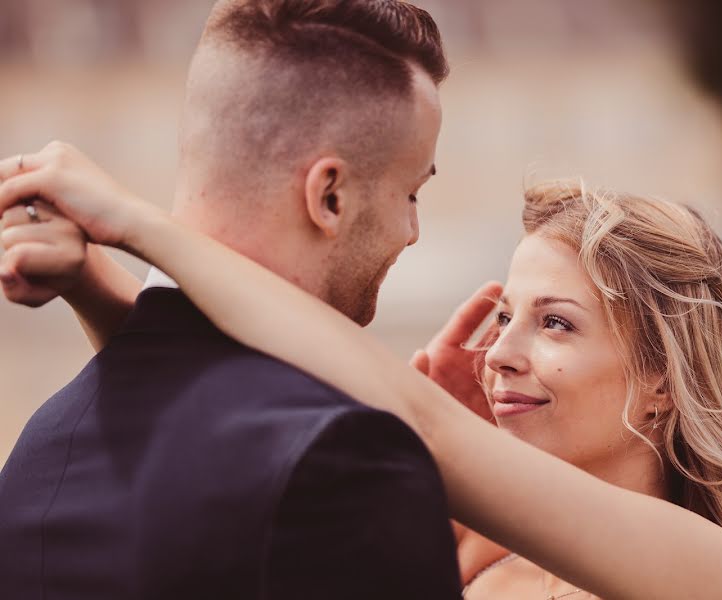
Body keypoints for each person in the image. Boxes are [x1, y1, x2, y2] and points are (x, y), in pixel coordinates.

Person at [0, 144, 722, 598]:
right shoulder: (481, 553)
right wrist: (93, 285)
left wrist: (139, 227)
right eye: (504, 316)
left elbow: (410, 417)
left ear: (664, 377)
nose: (501, 354)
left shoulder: (719, 577)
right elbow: (228, 440)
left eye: (555, 323)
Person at [0, 1, 465, 598]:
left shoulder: (37, 453)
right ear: (329, 196)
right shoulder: (346, 461)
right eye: (411, 193)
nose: (412, 231)